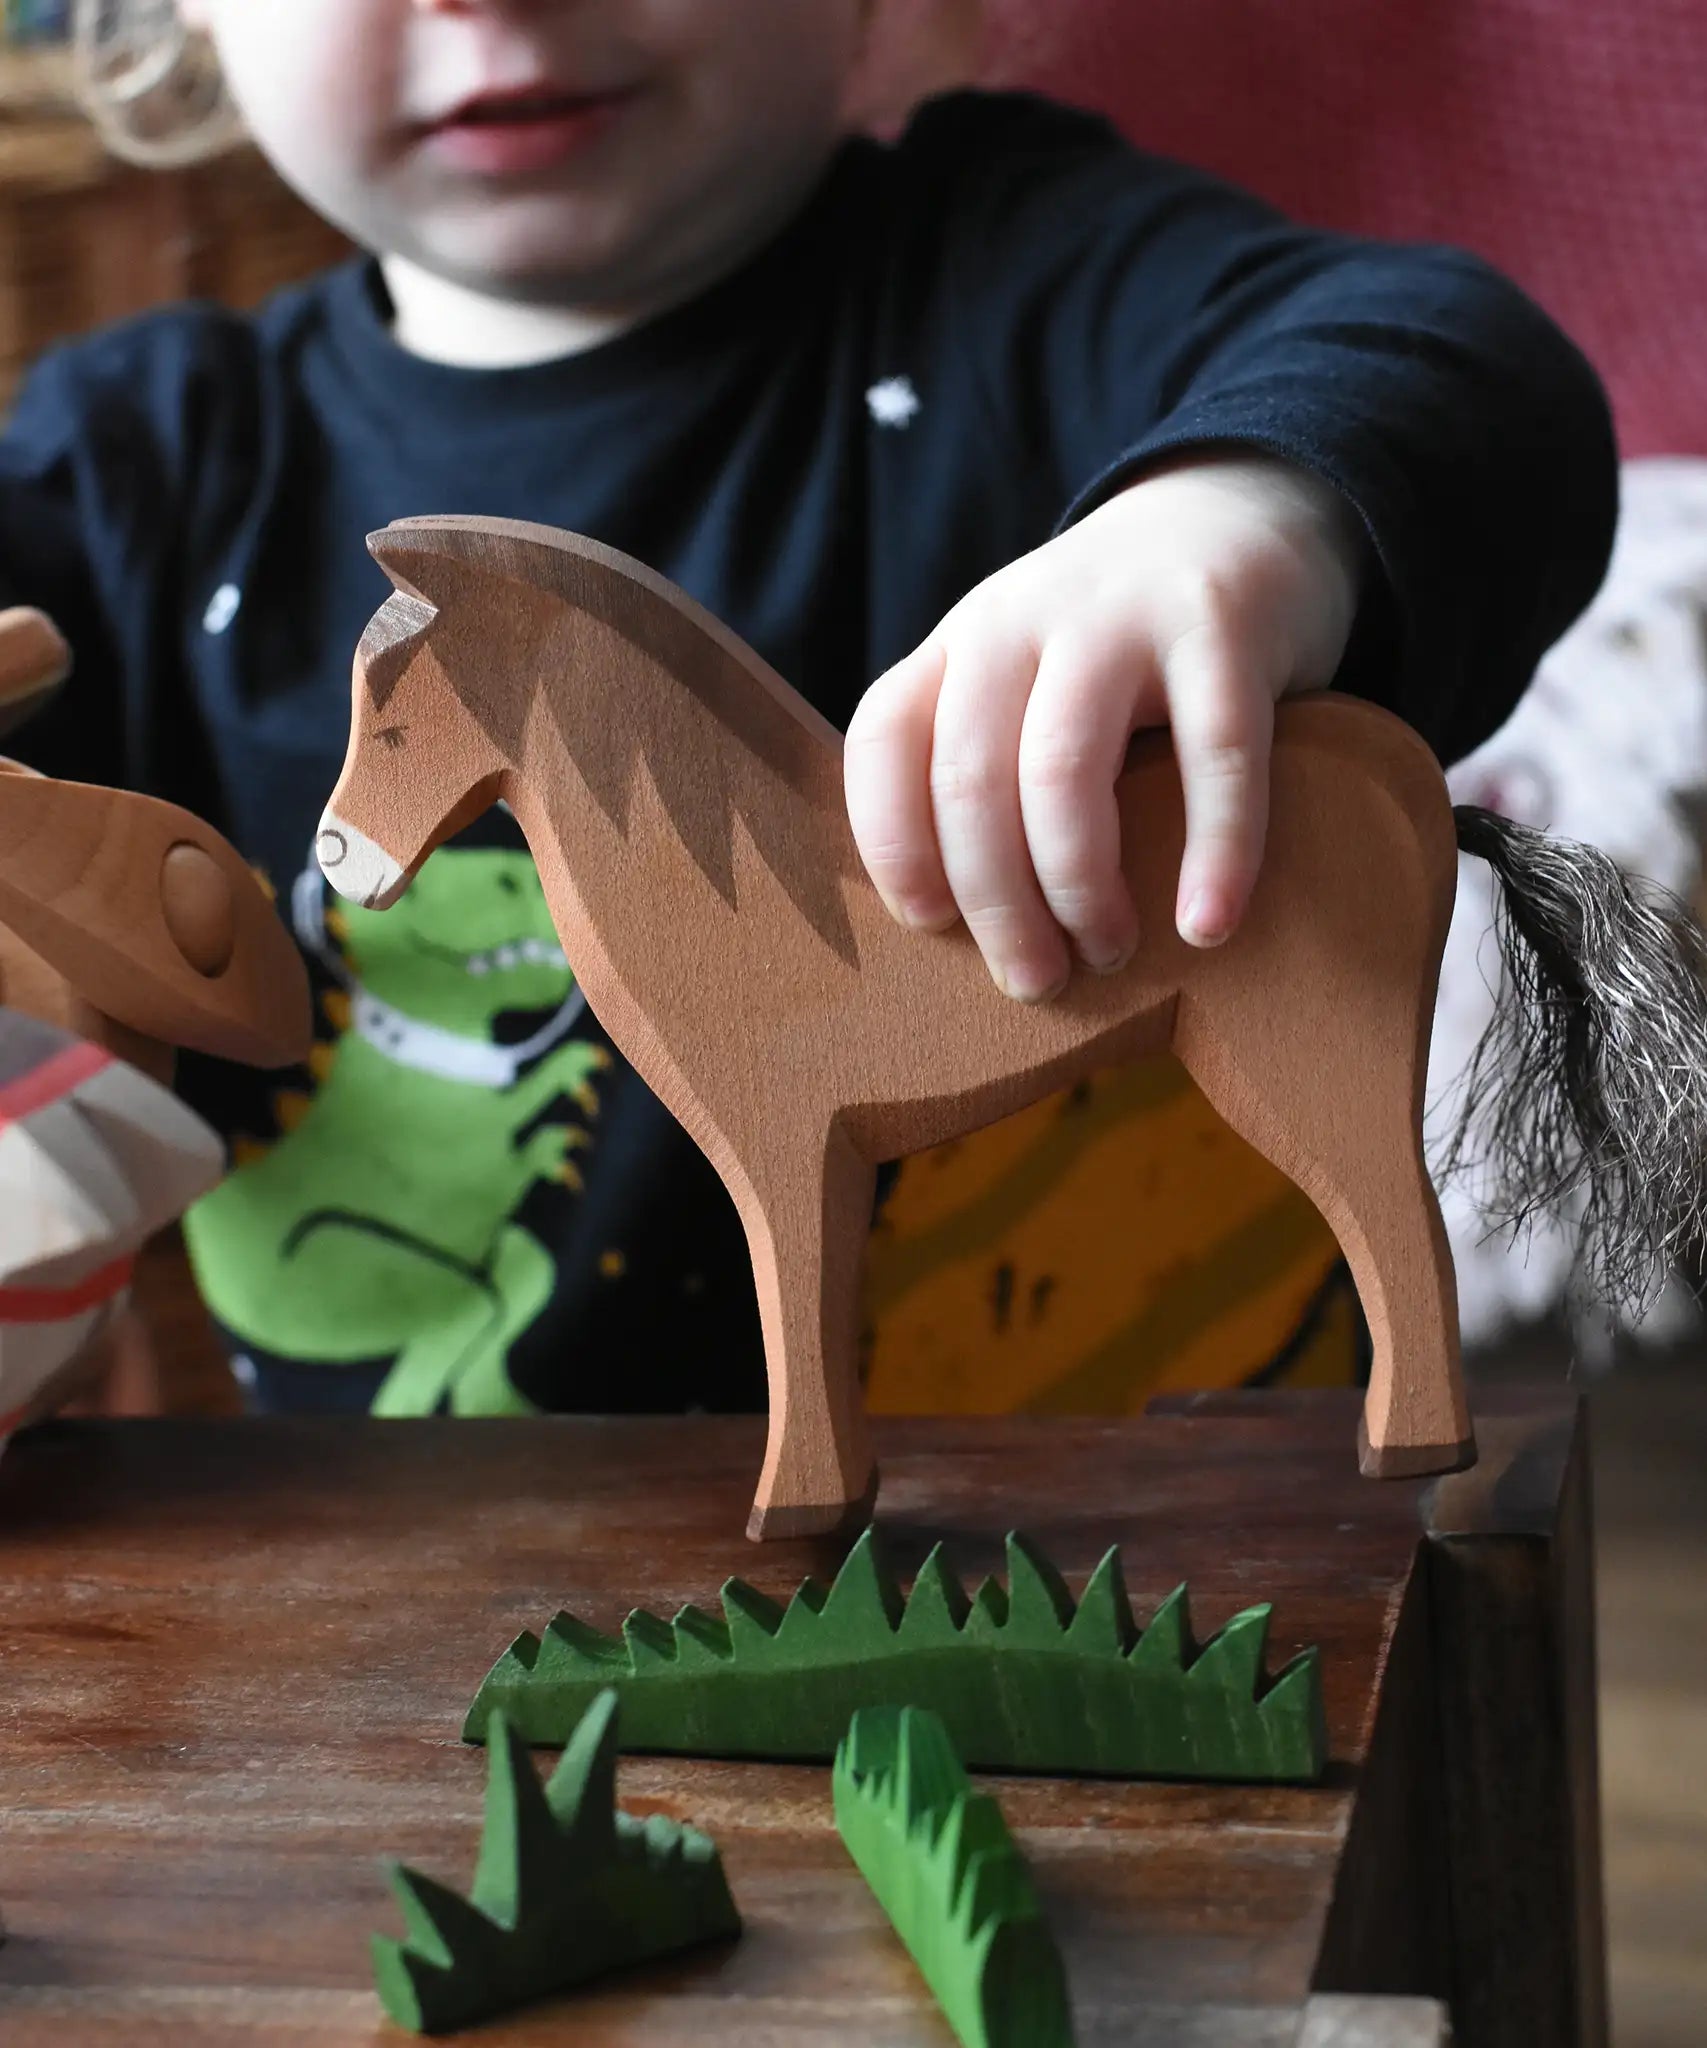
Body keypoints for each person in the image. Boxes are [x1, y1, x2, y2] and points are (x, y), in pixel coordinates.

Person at [0, 0, 1618, 1419]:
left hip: (1180, 1553)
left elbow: (1476, 371)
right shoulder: (132, 467)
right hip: (405, 1639)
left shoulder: (1020, 270)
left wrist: (1240, 520)